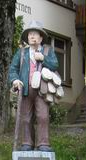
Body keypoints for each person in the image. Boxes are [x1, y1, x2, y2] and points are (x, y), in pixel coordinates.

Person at [8, 21, 58, 152]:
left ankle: (43, 143)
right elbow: (13, 69)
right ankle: (27, 143)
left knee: (43, 116)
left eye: (35, 34)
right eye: (30, 34)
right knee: (25, 117)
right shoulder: (22, 53)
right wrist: (15, 80)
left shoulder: (47, 50)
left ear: (41, 37)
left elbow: (55, 65)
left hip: (42, 90)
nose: (32, 37)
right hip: (25, 89)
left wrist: (43, 58)